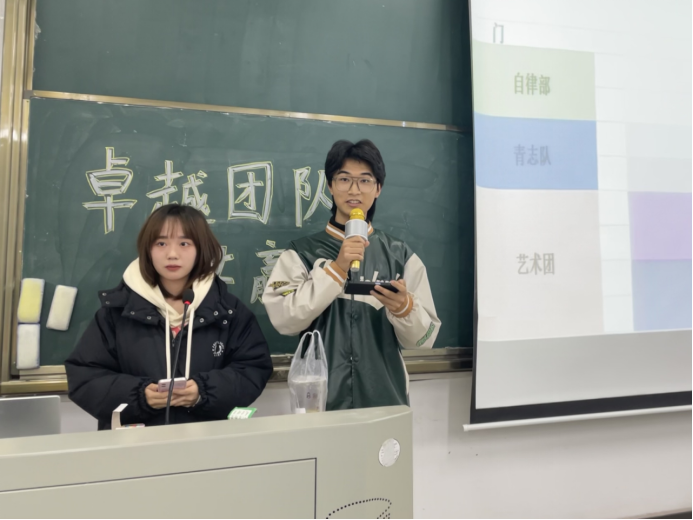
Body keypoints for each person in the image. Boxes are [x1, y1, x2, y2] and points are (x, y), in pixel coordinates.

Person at [264, 139, 441, 410]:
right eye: (344, 179)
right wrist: (336, 269)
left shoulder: (400, 255)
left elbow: (424, 339)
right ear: (330, 185)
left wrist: (405, 308)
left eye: (365, 181)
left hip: (385, 398)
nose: (354, 190)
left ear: (378, 188)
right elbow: (284, 321)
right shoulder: (300, 253)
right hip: (320, 400)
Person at [66, 205, 272, 429]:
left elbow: (252, 370)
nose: (172, 254)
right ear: (147, 249)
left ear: (201, 248)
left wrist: (203, 391)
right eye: (161, 243)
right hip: (134, 444)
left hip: (208, 441)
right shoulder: (116, 312)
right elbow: (85, 377)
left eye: (184, 244)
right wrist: (139, 396)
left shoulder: (228, 311)